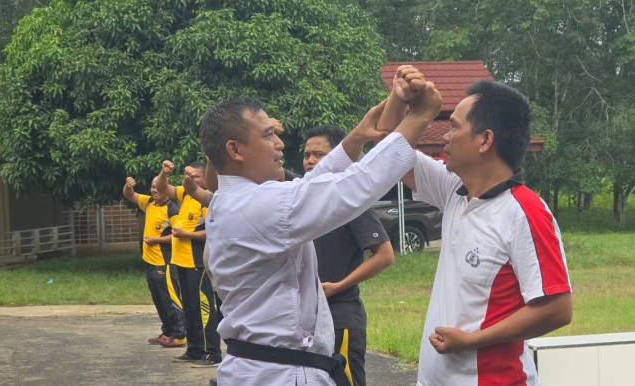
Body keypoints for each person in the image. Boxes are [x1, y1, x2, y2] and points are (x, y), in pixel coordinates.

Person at [189, 69, 440, 386]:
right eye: (268, 135)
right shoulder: (258, 205)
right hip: (281, 375)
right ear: (235, 150)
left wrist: (356, 138)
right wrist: (420, 117)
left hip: (259, 370)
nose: (280, 143)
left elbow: (313, 184)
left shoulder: (234, 203)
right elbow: (354, 188)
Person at [386, 80, 573, 385]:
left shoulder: (525, 211)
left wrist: (471, 340)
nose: (445, 137)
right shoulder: (454, 191)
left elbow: (557, 309)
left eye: (454, 128)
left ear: (485, 140)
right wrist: (400, 99)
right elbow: (389, 150)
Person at [304, 125, 395, 386]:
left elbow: (385, 255)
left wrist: (338, 287)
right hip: (310, 321)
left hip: (341, 318)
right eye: (307, 154)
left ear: (339, 157)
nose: (310, 161)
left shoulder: (351, 203)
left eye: (318, 154)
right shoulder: (305, 200)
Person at [155, 162, 222, 367]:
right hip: (181, 261)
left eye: (198, 177)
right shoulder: (185, 195)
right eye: (191, 177)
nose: (194, 181)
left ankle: (212, 353)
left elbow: (212, 231)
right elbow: (161, 187)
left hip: (198, 263)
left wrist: (187, 234)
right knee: (190, 309)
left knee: (204, 309)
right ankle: (193, 350)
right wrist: (164, 173)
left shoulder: (206, 200)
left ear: (207, 179)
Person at [122, 176, 186, 346]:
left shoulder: (172, 210)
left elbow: (177, 236)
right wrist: (128, 186)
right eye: (152, 186)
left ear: (166, 188)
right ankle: (167, 332)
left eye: (158, 187)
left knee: (170, 298)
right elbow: (130, 195)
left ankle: (180, 334)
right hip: (149, 262)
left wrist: (156, 240)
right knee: (158, 298)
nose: (155, 190)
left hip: (163, 262)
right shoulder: (149, 202)